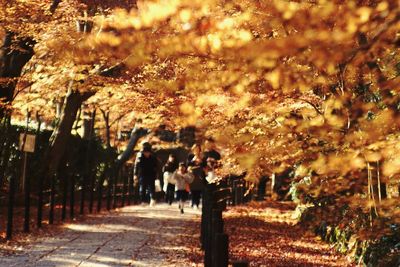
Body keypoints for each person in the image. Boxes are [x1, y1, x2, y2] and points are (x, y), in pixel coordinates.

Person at [134, 142, 159, 206]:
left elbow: (157, 165)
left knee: (152, 187)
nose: (146, 154)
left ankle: (153, 199)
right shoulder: (140, 156)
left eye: (148, 152)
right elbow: (136, 165)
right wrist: (135, 174)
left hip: (151, 173)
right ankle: (143, 201)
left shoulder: (153, 156)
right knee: (142, 187)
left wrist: (157, 174)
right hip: (142, 174)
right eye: (145, 152)